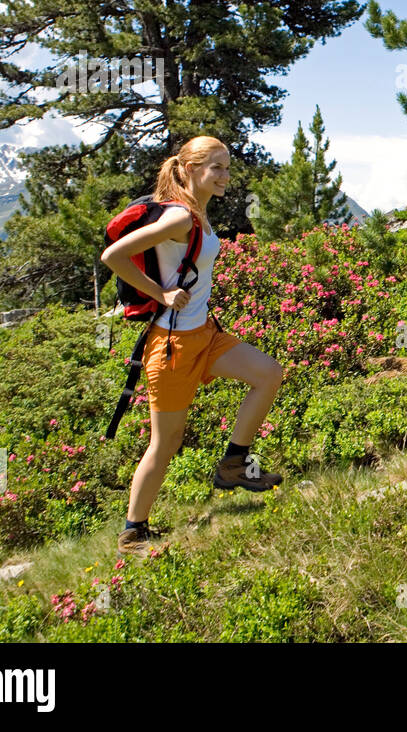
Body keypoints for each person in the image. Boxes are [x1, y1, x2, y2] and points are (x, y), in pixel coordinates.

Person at [101, 136, 285, 554]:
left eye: (227, 167)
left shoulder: (197, 213)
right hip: (172, 345)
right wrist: (160, 293)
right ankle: (133, 532)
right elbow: (113, 255)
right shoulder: (179, 218)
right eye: (215, 168)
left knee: (269, 374)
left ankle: (233, 465)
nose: (225, 176)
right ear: (189, 169)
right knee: (166, 441)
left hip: (205, 333)